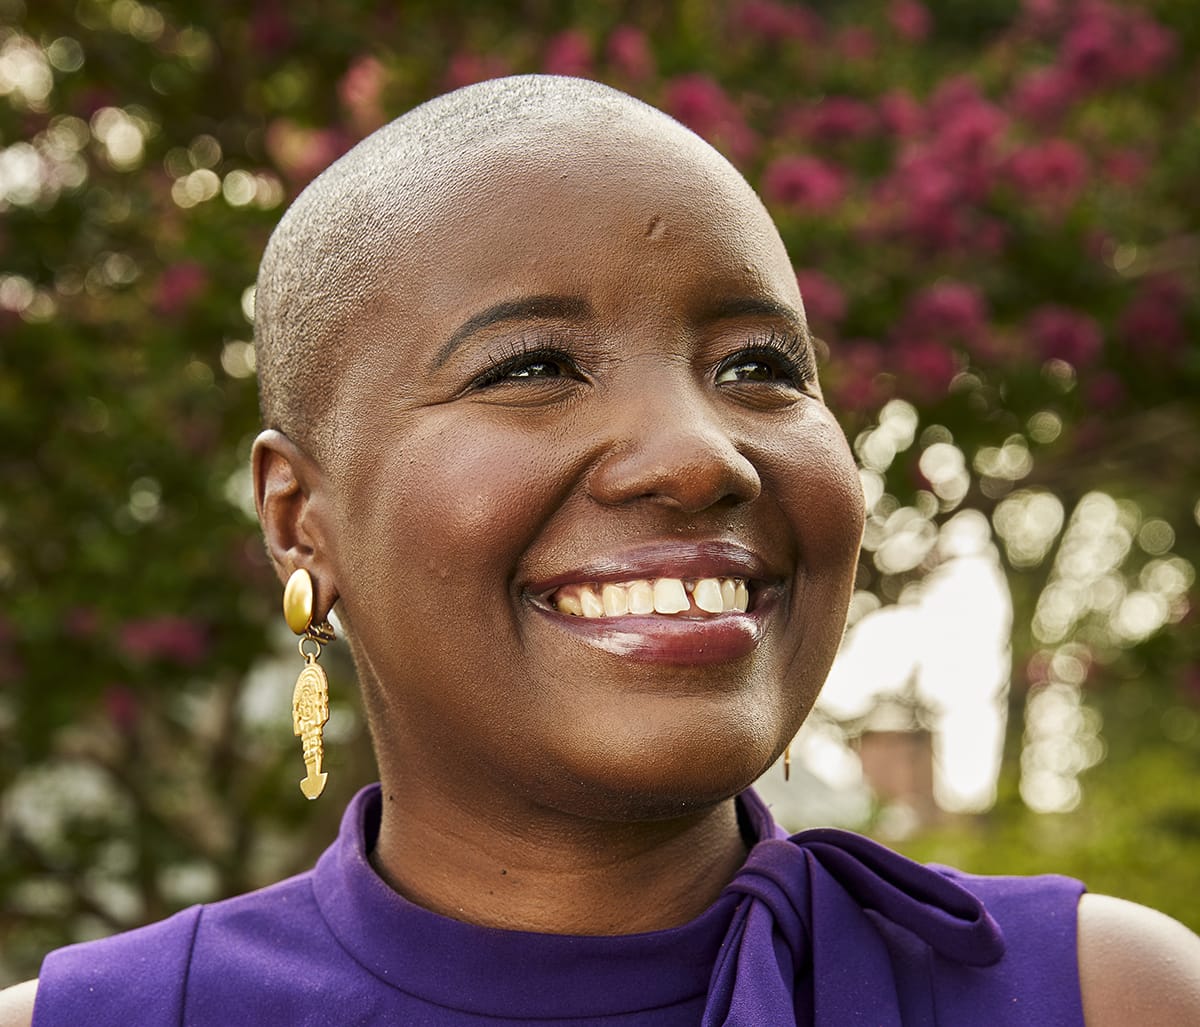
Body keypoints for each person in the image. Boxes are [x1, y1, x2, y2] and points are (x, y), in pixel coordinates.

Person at [4, 74, 1200, 1026]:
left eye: (759, 368)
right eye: (530, 368)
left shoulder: (1105, 999)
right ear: (296, 517)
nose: (697, 456)